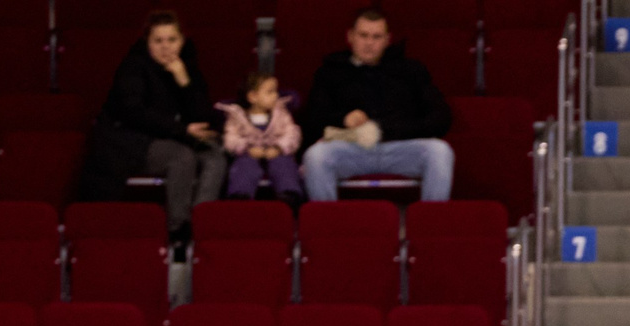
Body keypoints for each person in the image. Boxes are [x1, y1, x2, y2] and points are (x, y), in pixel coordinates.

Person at [81, 12, 226, 243]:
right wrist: (182, 130)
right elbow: (134, 114)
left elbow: (202, 116)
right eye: (158, 41)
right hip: (131, 141)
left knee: (215, 155)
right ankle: (178, 229)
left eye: (172, 40)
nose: (166, 47)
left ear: (182, 41)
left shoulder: (186, 66)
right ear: (147, 43)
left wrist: (184, 81)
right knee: (182, 157)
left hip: (175, 134)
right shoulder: (133, 68)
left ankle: (201, 222)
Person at [300, 9, 456, 203]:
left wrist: (391, 129)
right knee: (315, 156)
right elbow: (311, 119)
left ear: (387, 39)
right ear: (350, 37)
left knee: (440, 151)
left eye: (376, 36)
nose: (369, 43)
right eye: (363, 35)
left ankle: (429, 227)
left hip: (400, 147)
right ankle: (327, 227)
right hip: (352, 148)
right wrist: (342, 119)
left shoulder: (410, 70)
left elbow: (441, 118)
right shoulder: (330, 72)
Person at [221, 72, 305, 202]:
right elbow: (230, 138)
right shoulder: (236, 116)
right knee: (245, 165)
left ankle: (289, 196)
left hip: (276, 152)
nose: (276, 95)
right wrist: (247, 148)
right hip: (249, 153)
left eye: (276, 91)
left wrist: (278, 148)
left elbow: (292, 133)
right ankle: (240, 197)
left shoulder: (281, 113)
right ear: (252, 97)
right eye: (270, 92)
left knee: (284, 164)